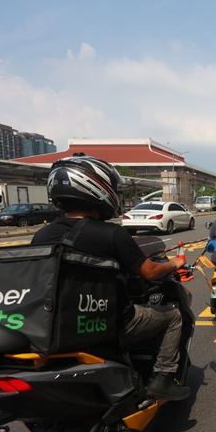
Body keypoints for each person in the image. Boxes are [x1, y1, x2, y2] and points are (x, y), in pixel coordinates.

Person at [31, 156, 190, 401]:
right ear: (97, 188)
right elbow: (149, 271)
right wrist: (174, 263)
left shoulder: (42, 235)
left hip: (53, 323)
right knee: (173, 316)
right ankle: (163, 378)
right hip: (106, 322)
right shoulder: (111, 233)